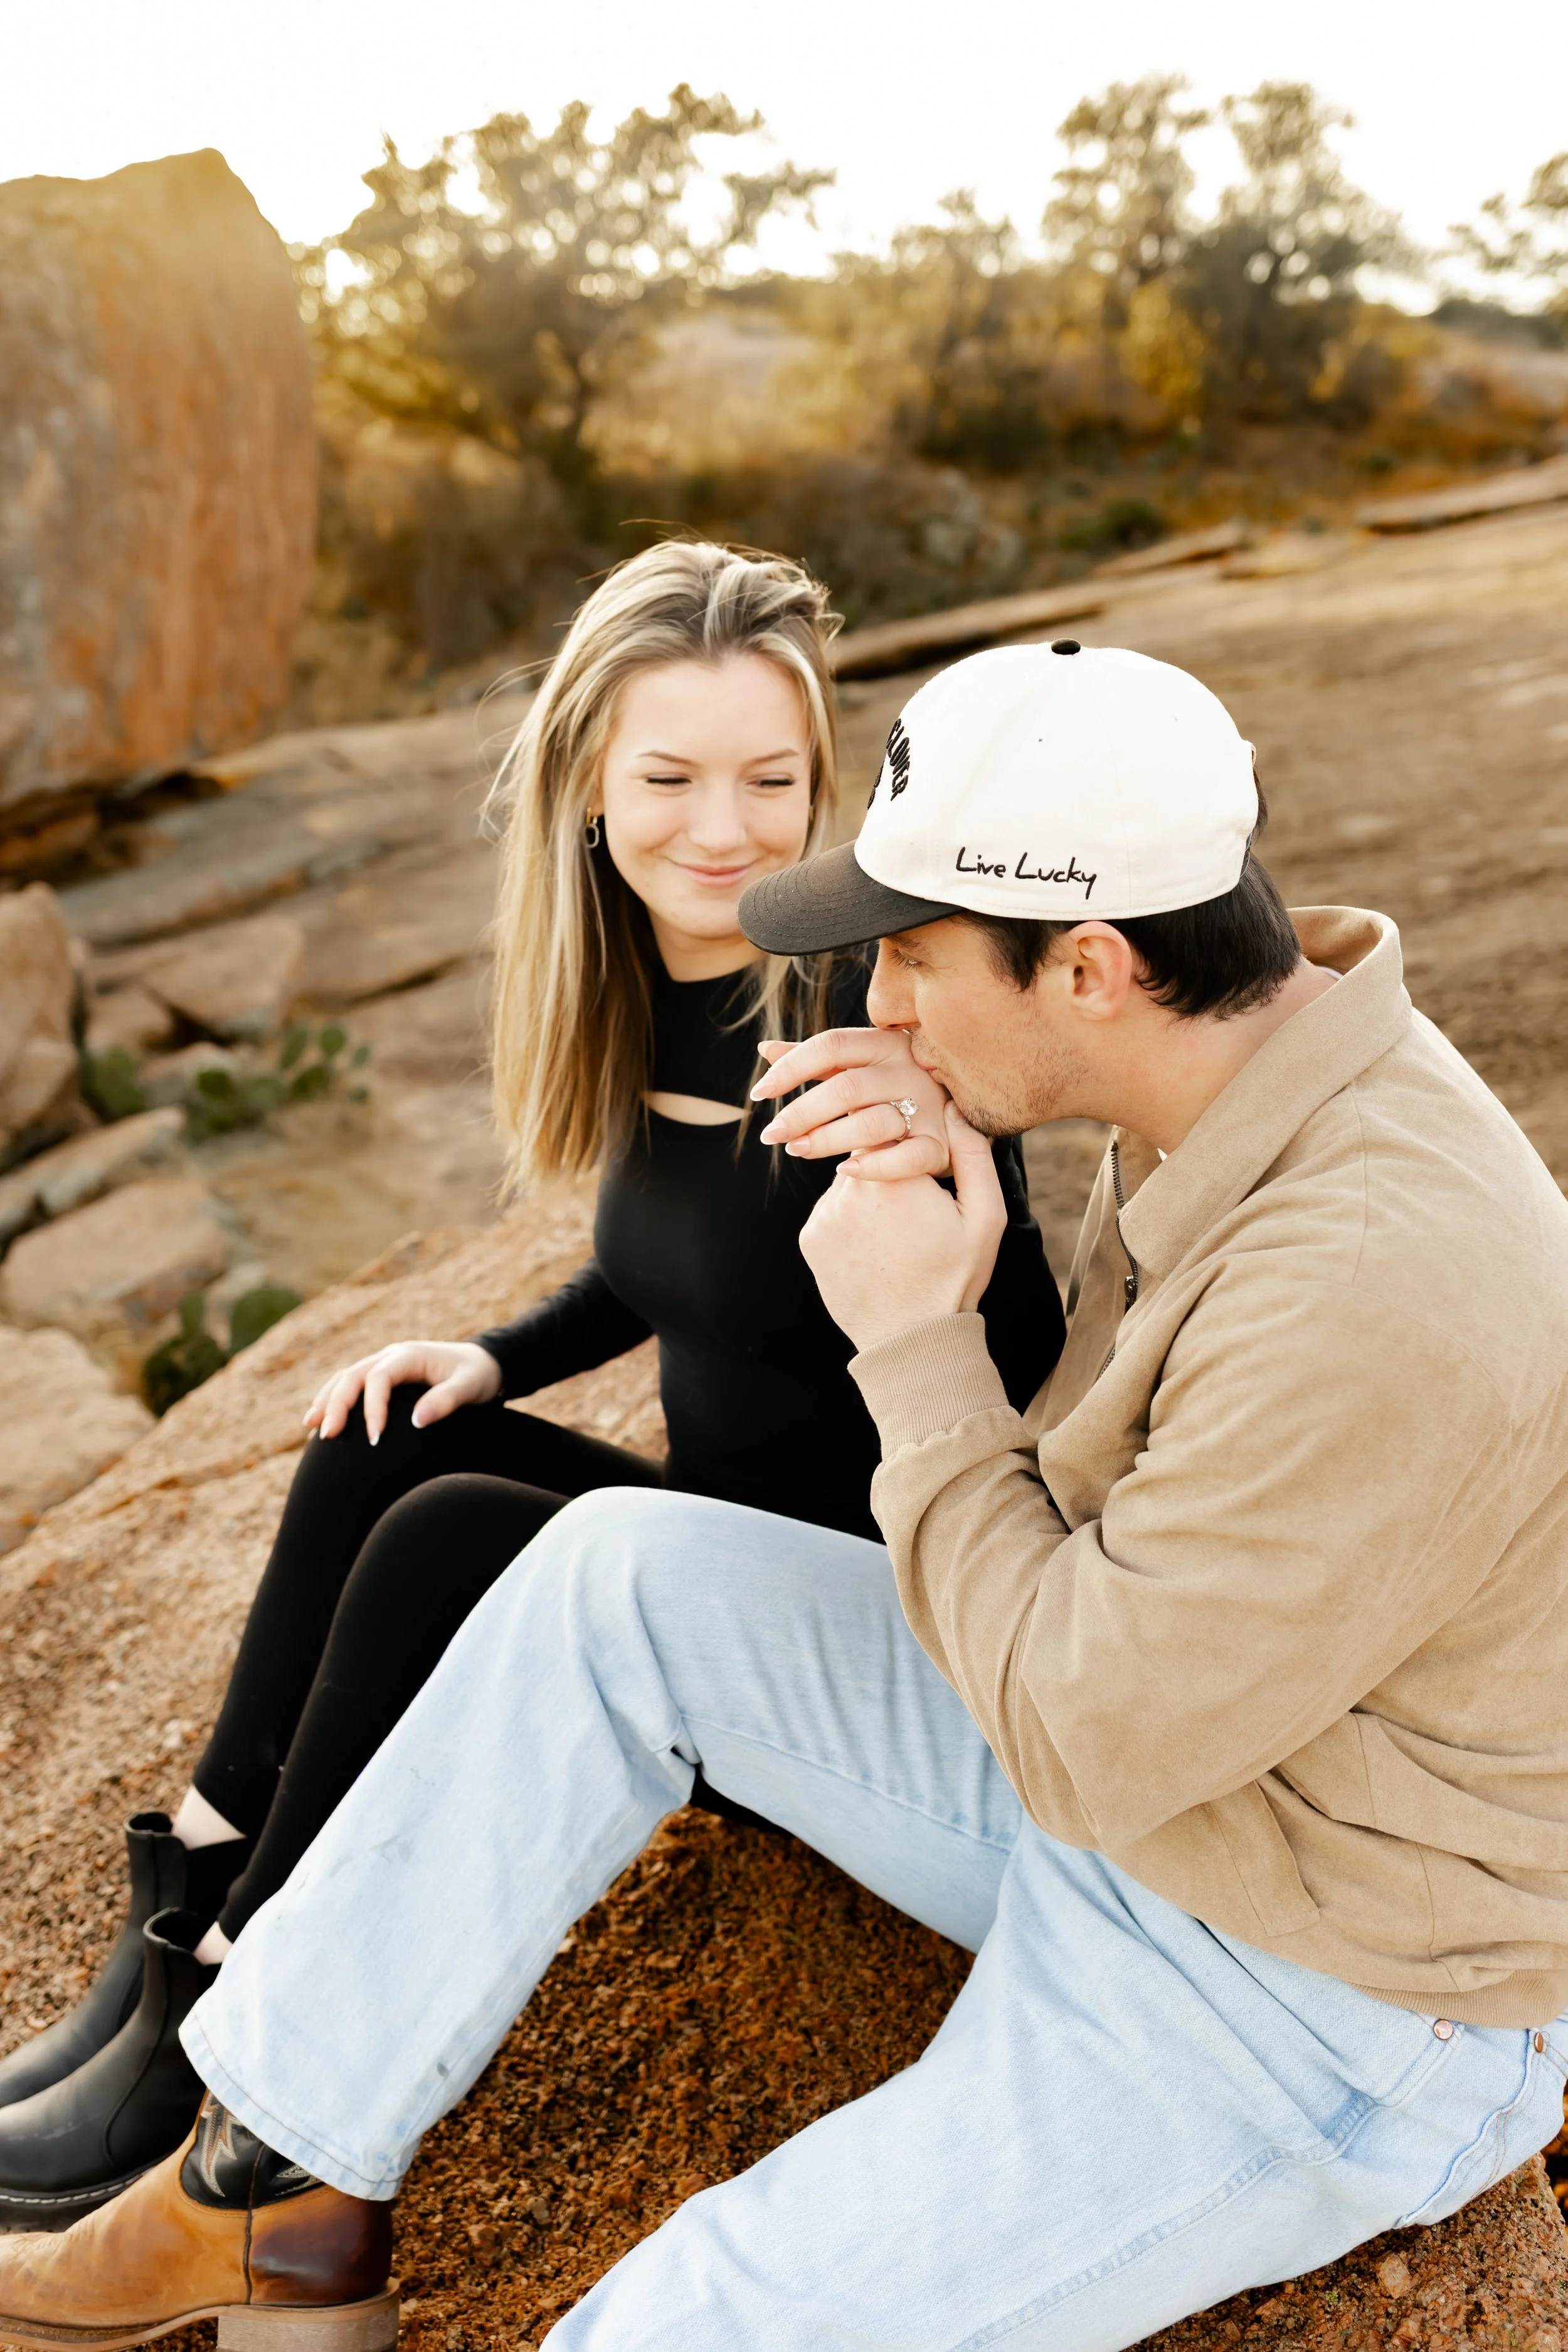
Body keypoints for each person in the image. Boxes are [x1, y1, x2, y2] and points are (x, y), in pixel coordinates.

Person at [4, 637, 1566, 2352]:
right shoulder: (1227, 1078)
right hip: (1172, 1769)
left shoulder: (1364, 1270)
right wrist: (963, 1133)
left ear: (1096, 966)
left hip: (1318, 1980)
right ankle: (274, 2194)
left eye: (907, 958)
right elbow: (1093, 1557)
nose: (874, 1005)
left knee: (665, 2328)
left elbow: (1080, 1738)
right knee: (615, 1577)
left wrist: (919, 1342)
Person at [0, 549, 1062, 2229]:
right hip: (695, 1548)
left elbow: (1020, 1363)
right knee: (383, 1443)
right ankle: (178, 1936)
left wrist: (966, 1179)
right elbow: (676, 1264)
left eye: (771, 779)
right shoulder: (651, 981)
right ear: (585, 781)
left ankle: (241, 2024)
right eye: (670, 777)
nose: (723, 826)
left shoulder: (867, 1018)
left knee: (445, 1536)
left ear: (821, 782)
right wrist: (496, 1355)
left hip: (830, 1633)